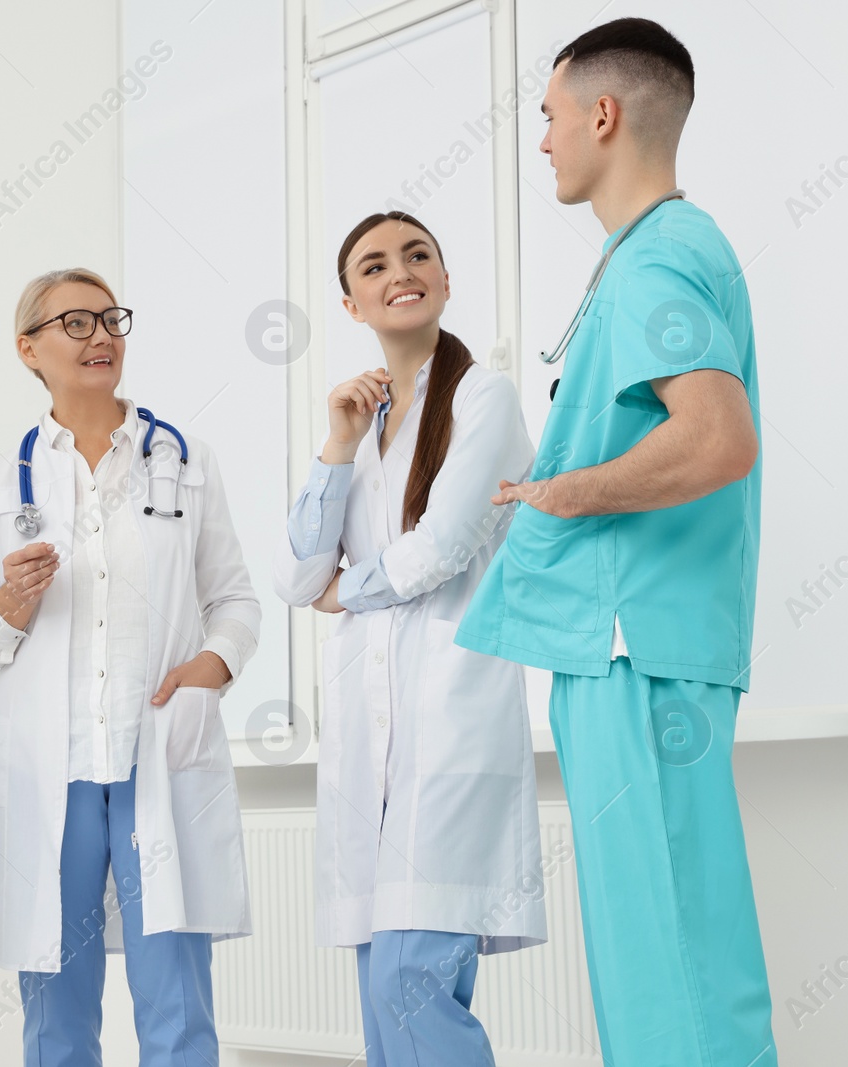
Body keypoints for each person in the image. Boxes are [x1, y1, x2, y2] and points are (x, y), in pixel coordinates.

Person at [454, 18, 776, 1065]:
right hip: (641, 643)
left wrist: (564, 491)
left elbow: (718, 438)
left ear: (602, 114)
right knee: (681, 948)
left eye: (547, 118)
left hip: (635, 644)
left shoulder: (656, 260)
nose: (541, 141)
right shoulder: (657, 252)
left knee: (665, 955)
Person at [0, 268, 259, 1065]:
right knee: (55, 1012)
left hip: (158, 752)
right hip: (55, 774)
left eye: (111, 319)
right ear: (29, 350)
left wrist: (212, 667)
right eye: (75, 323)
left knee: (177, 1002)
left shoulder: (187, 461)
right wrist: (9, 605)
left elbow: (236, 600)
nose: (101, 336)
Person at [274, 212, 543, 1066]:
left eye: (419, 254)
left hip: (453, 727)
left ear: (445, 279)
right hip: (369, 753)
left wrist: (343, 591)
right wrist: (337, 444)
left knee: (410, 984)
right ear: (351, 303)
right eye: (375, 264)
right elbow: (291, 578)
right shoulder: (362, 425)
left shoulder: (483, 397)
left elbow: (444, 546)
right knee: (384, 1018)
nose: (402, 270)